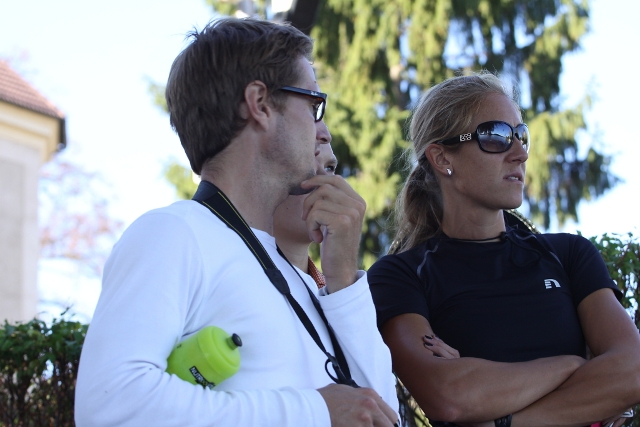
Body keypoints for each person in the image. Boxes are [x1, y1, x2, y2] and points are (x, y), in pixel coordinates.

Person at [75, 18, 398, 427]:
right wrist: (316, 411)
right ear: (260, 103)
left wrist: (344, 282)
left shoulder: (298, 276)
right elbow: (110, 404)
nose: (322, 130)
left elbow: (383, 415)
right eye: (313, 103)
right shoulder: (174, 233)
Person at [368, 72, 640, 427]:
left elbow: (633, 369)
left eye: (520, 135)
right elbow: (448, 397)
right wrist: (574, 366)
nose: (520, 153)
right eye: (496, 136)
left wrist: (501, 420)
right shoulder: (400, 276)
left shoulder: (568, 254)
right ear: (442, 158)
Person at [274, 142, 339, 288]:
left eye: (329, 168)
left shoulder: (328, 289)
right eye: (308, 167)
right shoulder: (232, 275)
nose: (328, 182)